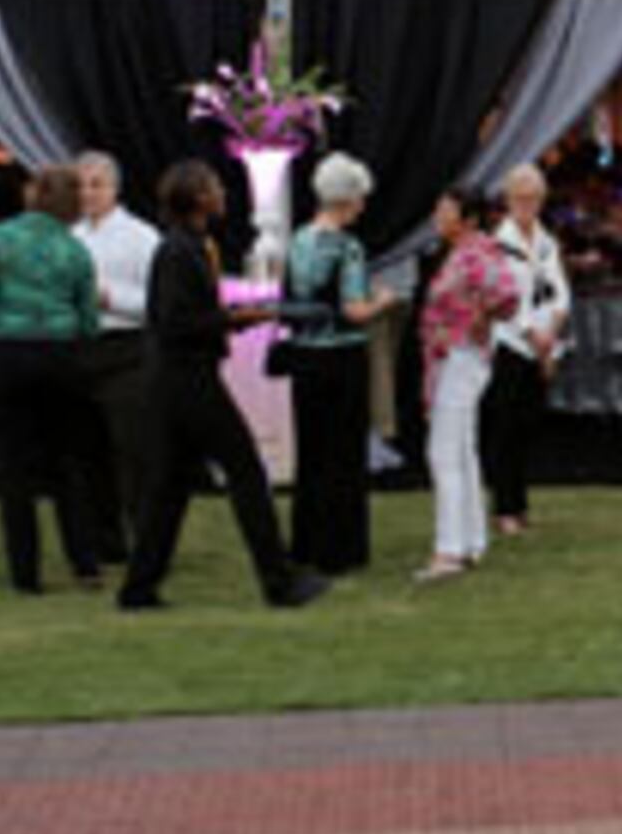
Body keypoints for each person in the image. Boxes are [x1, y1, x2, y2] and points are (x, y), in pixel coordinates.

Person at [119, 160, 331, 611]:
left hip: (178, 378)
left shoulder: (191, 246)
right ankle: (279, 582)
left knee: (169, 486)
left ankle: (139, 588)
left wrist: (243, 316)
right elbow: (177, 323)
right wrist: (245, 316)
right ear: (198, 198)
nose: (223, 193)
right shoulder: (178, 252)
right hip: (186, 378)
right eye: (214, 187)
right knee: (244, 471)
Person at [0, 163, 101, 591]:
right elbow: (90, 320)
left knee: (13, 466)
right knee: (68, 461)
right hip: (61, 354)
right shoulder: (75, 250)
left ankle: (25, 572)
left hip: (10, 352)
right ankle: (84, 561)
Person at [284, 154, 388, 573]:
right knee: (343, 454)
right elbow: (354, 310)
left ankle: (306, 544)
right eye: (360, 197)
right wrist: (382, 301)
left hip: (304, 356)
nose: (362, 205)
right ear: (348, 199)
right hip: (342, 358)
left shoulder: (298, 240)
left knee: (311, 452)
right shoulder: (348, 247)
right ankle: (340, 550)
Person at [411, 184, 518, 582]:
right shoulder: (463, 252)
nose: (438, 217)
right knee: (461, 449)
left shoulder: (476, 252)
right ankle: (471, 540)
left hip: (460, 356)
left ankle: (449, 549)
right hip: (453, 356)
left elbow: (507, 294)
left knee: (445, 452)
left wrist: (482, 318)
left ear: (467, 219)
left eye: (446, 210)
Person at [67, 151, 164, 583]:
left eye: (96, 184)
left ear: (115, 188)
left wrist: (111, 299)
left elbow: (158, 302)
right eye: (82, 185)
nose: (88, 193)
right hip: (80, 349)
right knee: (89, 451)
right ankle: (104, 542)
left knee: (134, 451)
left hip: (127, 349)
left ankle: (148, 541)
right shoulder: (70, 236)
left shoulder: (142, 237)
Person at [484, 162, 573, 539]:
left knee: (526, 429)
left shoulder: (546, 241)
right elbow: (502, 299)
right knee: (504, 430)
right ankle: (504, 508)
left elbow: (559, 291)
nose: (527, 205)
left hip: (543, 344)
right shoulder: (498, 243)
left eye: (534, 198)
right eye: (520, 198)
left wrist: (551, 332)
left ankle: (520, 507)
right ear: (508, 200)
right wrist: (531, 334)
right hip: (509, 345)